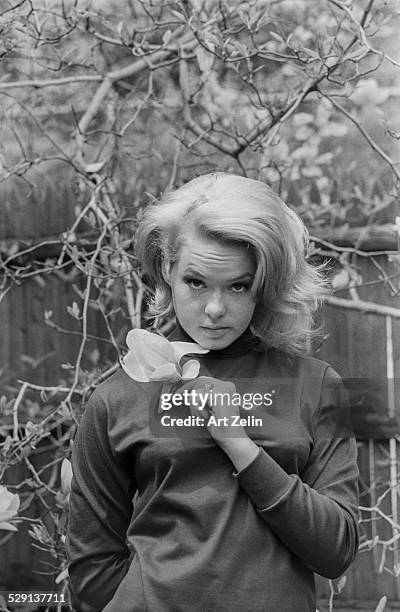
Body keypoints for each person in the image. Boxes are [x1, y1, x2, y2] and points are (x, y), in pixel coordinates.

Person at [66, 173, 359, 612]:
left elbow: (336, 550)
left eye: (238, 285)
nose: (216, 308)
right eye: (196, 282)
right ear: (167, 270)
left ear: (265, 281)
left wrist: (241, 447)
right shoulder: (117, 397)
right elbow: (90, 572)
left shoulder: (316, 386)